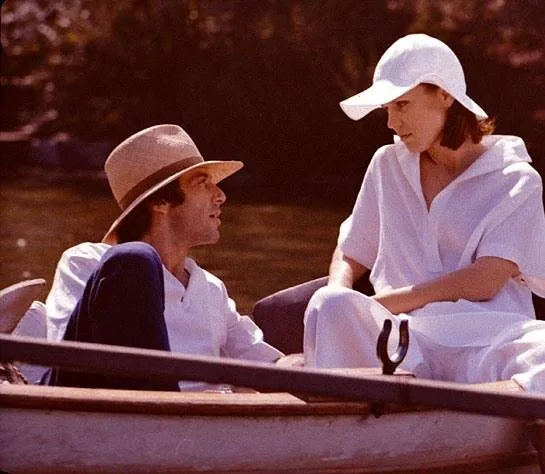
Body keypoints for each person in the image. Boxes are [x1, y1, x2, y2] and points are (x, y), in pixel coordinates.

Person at [303, 34, 545, 392]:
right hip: (400, 338)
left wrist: (379, 304)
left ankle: (472, 409)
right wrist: (341, 293)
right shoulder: (387, 164)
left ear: (445, 95)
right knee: (329, 302)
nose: (392, 122)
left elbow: (486, 280)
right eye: (387, 108)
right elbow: (354, 248)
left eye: (402, 104)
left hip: (488, 339)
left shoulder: (516, 179)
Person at [45, 124, 286, 391]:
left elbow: (269, 365)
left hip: (190, 414)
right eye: (203, 184)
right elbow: (64, 362)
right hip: (106, 406)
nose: (220, 196)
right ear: (160, 202)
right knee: (134, 259)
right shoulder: (92, 263)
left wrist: (307, 364)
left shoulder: (210, 288)